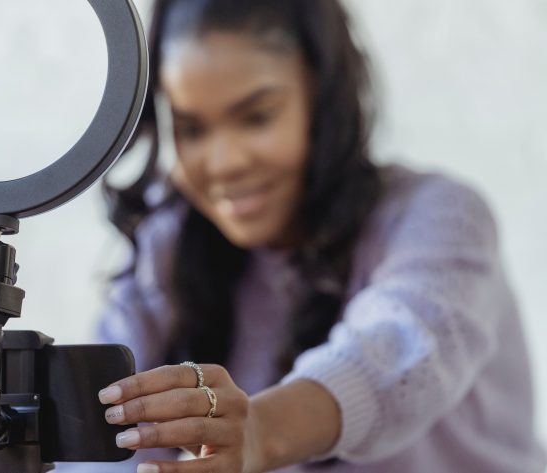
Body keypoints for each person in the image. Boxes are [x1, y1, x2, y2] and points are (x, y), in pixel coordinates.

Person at [60, 0, 546, 472]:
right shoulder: (168, 247)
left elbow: (394, 352)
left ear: (323, 99)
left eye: (257, 117)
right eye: (191, 130)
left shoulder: (440, 217)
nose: (225, 163)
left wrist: (259, 432)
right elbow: (105, 445)